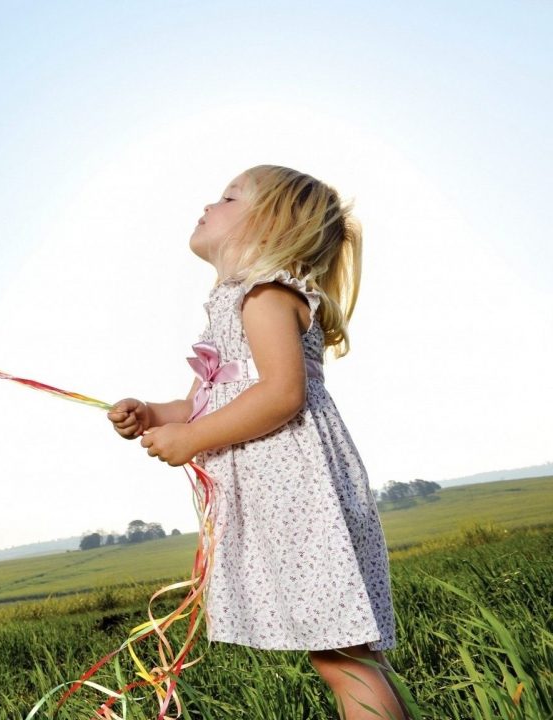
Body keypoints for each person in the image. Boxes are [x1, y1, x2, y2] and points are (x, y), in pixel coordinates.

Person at [107, 166, 412, 719]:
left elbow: (281, 394)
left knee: (343, 657)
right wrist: (154, 414)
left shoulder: (265, 296)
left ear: (271, 227)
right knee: (346, 655)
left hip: (301, 496)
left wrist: (193, 438)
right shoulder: (234, 305)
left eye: (228, 196)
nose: (209, 201)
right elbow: (207, 402)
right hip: (287, 497)